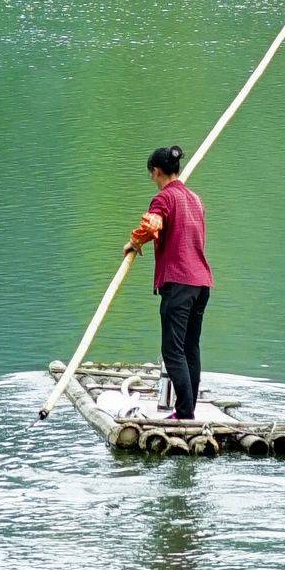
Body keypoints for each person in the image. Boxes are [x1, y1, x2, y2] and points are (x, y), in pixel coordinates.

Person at [125, 143, 213, 422]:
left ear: (157, 171)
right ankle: (187, 409)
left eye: (151, 174)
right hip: (201, 284)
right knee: (190, 348)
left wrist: (134, 242)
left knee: (172, 350)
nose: (152, 179)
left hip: (178, 282)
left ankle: (185, 413)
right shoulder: (195, 199)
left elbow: (152, 226)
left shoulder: (164, 199)